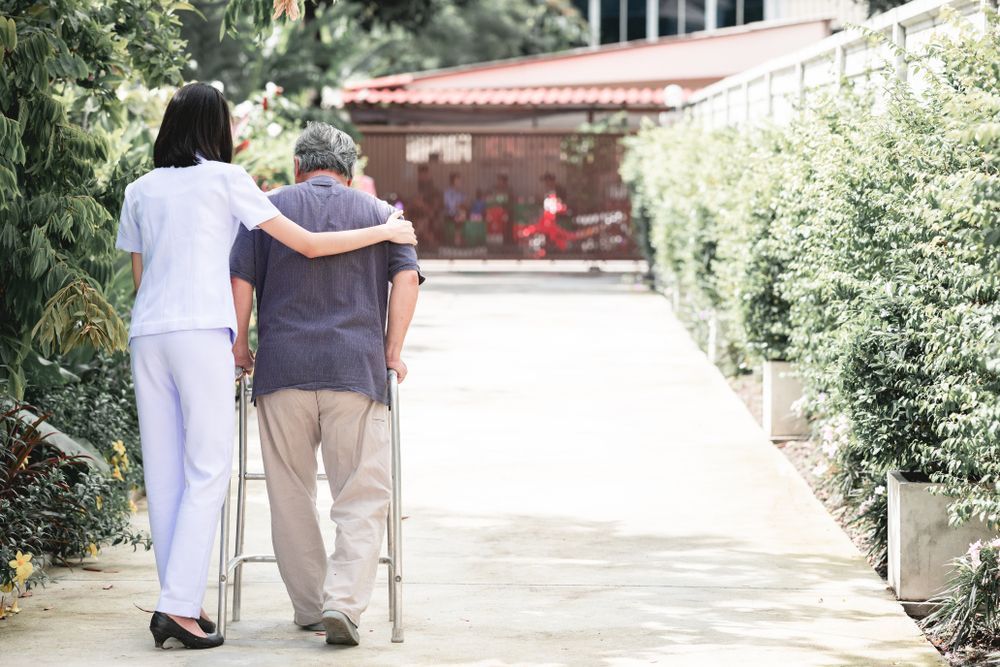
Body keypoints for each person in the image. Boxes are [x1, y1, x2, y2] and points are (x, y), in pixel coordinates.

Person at [116, 83, 416, 651]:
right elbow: (308, 246)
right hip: (212, 332)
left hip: (151, 333)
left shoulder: (139, 190)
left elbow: (146, 273)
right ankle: (187, 607)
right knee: (210, 470)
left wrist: (238, 343)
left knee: (167, 473)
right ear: (218, 130)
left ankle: (182, 600)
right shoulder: (230, 182)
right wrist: (384, 233)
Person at [229, 122, 422, 647]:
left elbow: (240, 283)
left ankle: (311, 607)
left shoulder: (265, 207)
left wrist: (241, 347)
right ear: (350, 170)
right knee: (361, 492)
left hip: (282, 370)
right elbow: (406, 277)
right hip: (354, 370)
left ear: (298, 166)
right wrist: (392, 350)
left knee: (289, 493)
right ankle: (343, 604)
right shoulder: (381, 215)